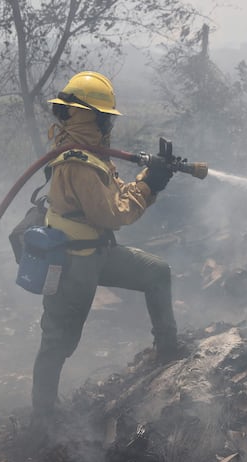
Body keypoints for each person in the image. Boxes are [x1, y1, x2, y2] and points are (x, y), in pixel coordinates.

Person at [32, 71, 182, 421]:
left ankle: (169, 352)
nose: (108, 124)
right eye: (105, 117)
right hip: (72, 264)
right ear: (92, 117)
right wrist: (151, 188)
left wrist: (149, 179)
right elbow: (112, 215)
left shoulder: (89, 154)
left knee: (156, 272)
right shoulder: (78, 163)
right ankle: (42, 417)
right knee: (59, 340)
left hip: (98, 252)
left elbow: (115, 195)